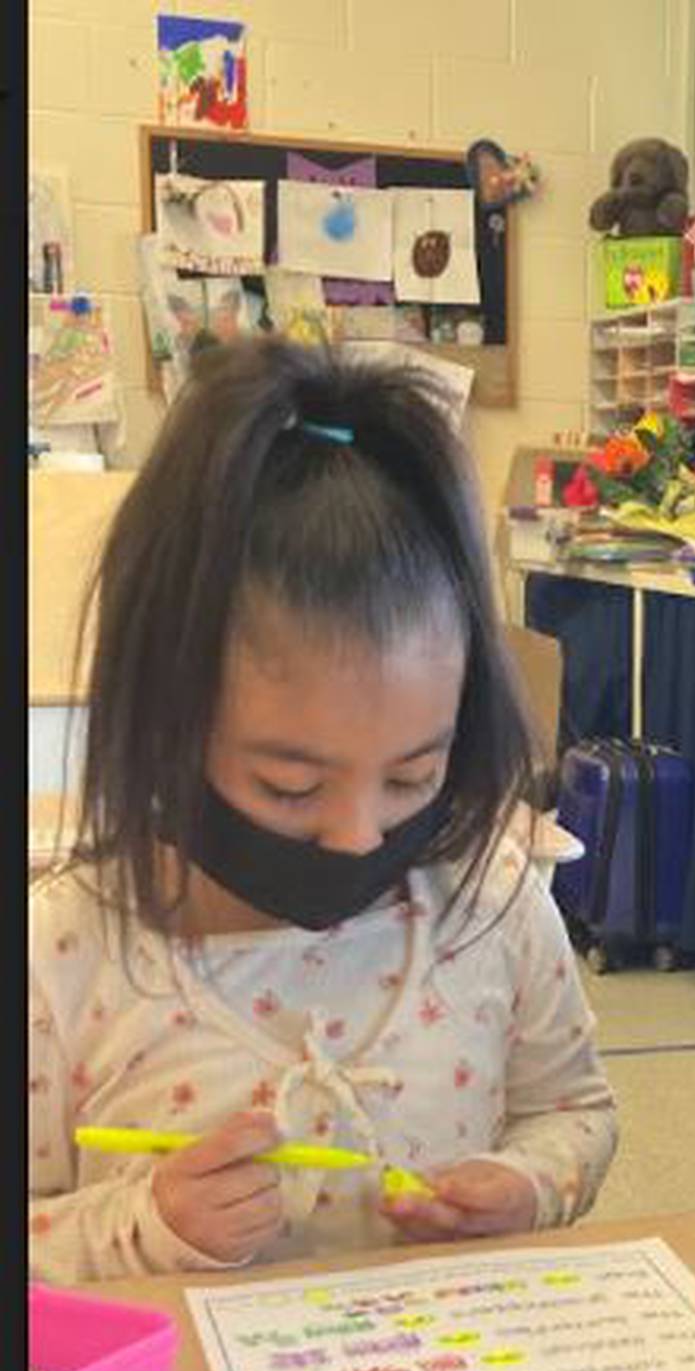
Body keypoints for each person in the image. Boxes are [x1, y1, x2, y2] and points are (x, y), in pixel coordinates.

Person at [28, 336, 617, 1282]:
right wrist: (146, 1225)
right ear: (168, 722)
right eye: (290, 786)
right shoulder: (63, 955)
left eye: (412, 776)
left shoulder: (489, 903)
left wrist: (528, 1186)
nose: (358, 836)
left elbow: (575, 1113)